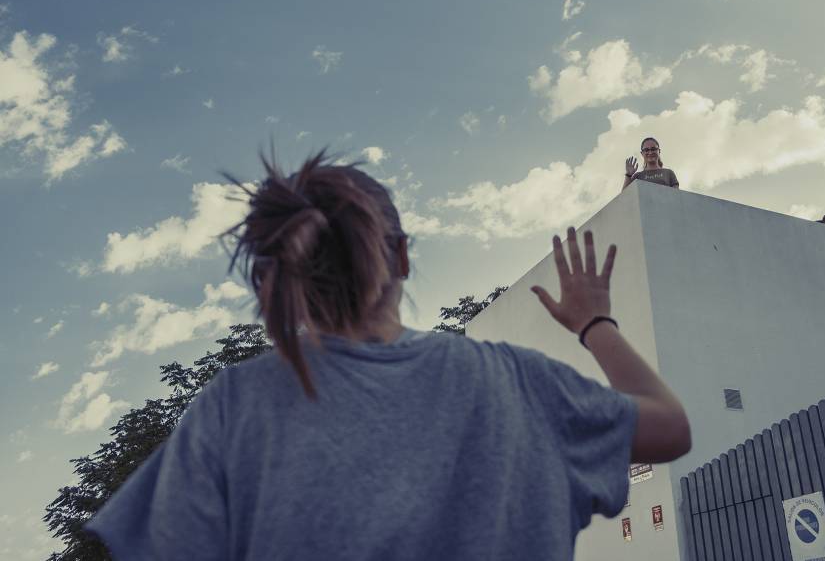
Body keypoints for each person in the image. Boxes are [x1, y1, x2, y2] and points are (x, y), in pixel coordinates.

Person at [84, 149, 690, 560]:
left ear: (281, 275)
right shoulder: (518, 382)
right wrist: (594, 322)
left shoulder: (232, 409)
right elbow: (670, 427)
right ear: (400, 256)